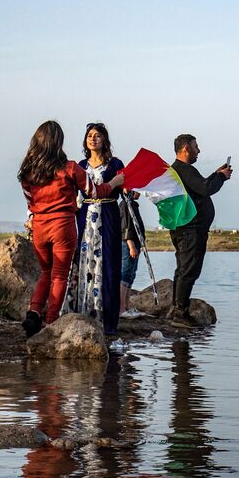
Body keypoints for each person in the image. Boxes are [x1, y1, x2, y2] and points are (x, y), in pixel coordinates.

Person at [19, 121, 122, 337]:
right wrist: (114, 183)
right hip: (62, 226)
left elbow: (29, 202)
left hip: (39, 226)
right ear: (59, 142)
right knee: (59, 275)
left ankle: (34, 311)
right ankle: (51, 321)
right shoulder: (70, 168)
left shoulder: (27, 171)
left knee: (45, 273)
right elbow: (94, 192)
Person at [168, 134, 232, 328]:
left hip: (185, 228)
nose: (199, 150)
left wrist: (215, 175)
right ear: (186, 148)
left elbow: (200, 186)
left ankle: (177, 309)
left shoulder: (179, 171)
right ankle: (180, 313)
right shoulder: (184, 170)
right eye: (196, 147)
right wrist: (221, 177)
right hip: (190, 230)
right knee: (188, 270)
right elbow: (205, 189)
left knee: (183, 269)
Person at [70, 122, 128, 335]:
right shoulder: (80, 165)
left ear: (105, 140)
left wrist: (129, 188)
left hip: (109, 217)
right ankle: (85, 314)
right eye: (89, 136)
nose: (93, 139)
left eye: (98, 135)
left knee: (109, 265)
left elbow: (127, 191)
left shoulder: (115, 164)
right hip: (85, 218)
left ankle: (108, 321)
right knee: (84, 263)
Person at [118, 193, 146, 318]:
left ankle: (127, 306)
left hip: (136, 242)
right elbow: (125, 227)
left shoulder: (134, 205)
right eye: (137, 190)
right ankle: (121, 308)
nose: (139, 193)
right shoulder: (125, 204)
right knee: (125, 273)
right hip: (128, 244)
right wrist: (131, 246)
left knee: (131, 274)